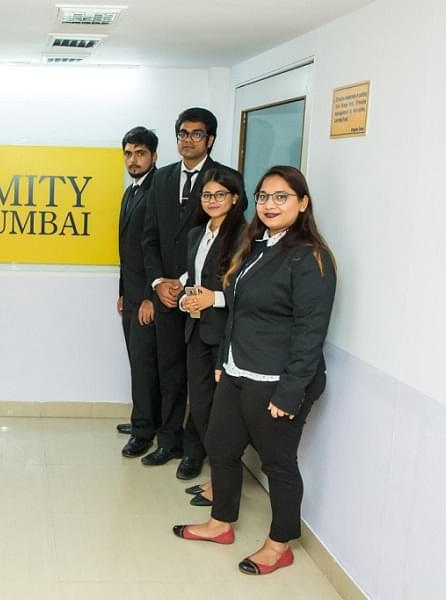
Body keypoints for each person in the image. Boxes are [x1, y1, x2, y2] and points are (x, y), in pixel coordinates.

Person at [172, 165, 336, 577]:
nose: (270, 204)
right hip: (237, 370)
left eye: (282, 197)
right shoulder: (257, 245)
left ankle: (280, 544)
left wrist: (290, 392)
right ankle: (220, 523)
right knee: (221, 447)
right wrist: (223, 363)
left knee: (278, 464)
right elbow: (237, 311)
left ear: (303, 203)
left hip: (276, 380)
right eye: (264, 196)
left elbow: (310, 333)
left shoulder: (309, 257)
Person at [141, 107, 241, 479]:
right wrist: (159, 283)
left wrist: (188, 284)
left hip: (208, 303)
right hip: (170, 294)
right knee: (169, 371)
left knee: (203, 386)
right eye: (183, 133)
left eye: (197, 134)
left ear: (210, 139)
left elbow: (219, 247)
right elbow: (149, 238)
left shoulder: (222, 180)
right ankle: (168, 441)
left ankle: (194, 450)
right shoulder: (161, 178)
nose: (188, 139)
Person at [177, 168, 247, 505]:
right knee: (202, 406)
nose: (213, 201)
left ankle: (222, 483)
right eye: (207, 195)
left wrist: (214, 299)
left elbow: (245, 289)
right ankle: (217, 478)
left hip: (225, 335)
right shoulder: (197, 234)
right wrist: (184, 297)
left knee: (222, 415)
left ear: (234, 198)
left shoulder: (245, 236)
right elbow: (194, 278)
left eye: (220, 194)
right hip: (196, 330)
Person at [115, 126, 163, 458]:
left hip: (147, 297)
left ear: (154, 156)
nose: (133, 159)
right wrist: (123, 291)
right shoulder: (131, 191)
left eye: (140, 153)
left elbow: (157, 248)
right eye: (129, 153)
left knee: (145, 365)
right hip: (130, 294)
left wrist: (149, 296)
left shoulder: (158, 191)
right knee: (138, 361)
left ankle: (144, 431)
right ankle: (144, 419)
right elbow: (128, 250)